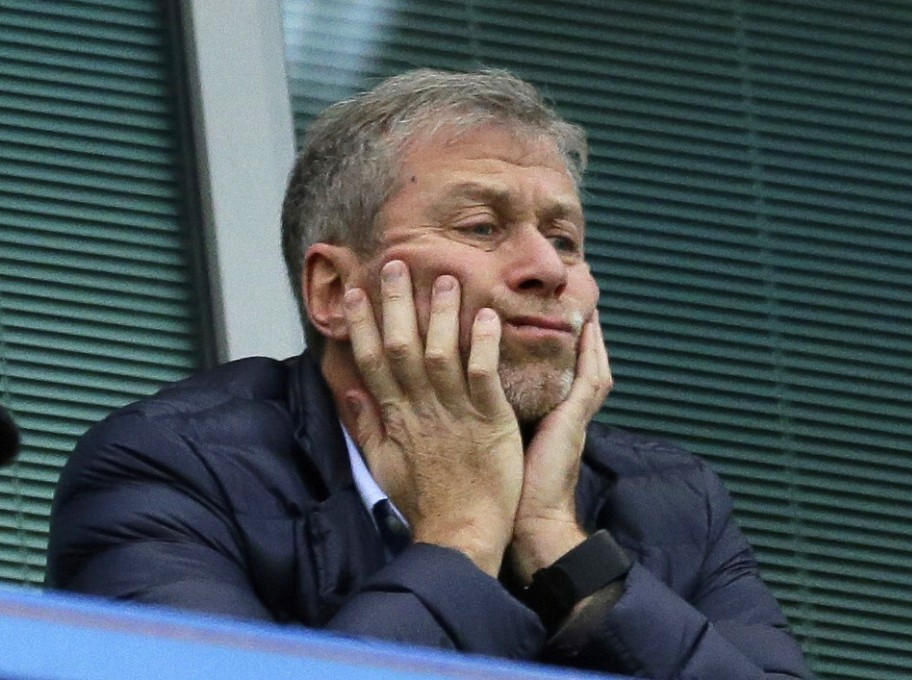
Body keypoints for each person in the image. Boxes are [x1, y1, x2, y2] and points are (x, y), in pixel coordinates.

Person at [47, 69, 815, 679]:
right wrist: (461, 536)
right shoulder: (171, 468)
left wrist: (556, 544)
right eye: (482, 227)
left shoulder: (678, 502)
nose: (547, 269)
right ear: (334, 291)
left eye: (567, 239)